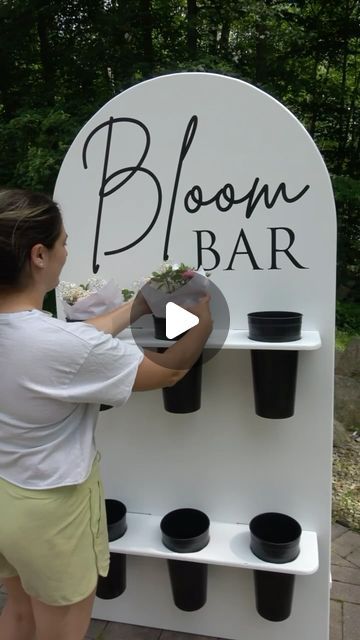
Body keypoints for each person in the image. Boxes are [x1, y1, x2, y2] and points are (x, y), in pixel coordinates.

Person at [0, 188, 213, 640]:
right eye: (62, 242)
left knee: (18, 610)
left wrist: (137, 305)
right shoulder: (62, 347)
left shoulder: (41, 337)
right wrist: (202, 324)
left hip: (5, 498)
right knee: (63, 628)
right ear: (39, 255)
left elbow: (70, 341)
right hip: (51, 512)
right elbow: (166, 373)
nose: (66, 251)